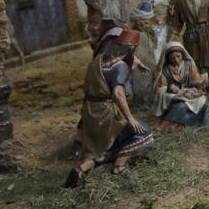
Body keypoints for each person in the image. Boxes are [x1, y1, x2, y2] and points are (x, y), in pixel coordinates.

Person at [65, 28, 154, 187]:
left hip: (91, 111)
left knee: (99, 145)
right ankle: (119, 166)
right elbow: (118, 94)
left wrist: (136, 63)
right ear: (132, 49)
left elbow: (119, 66)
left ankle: (83, 168)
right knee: (144, 133)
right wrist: (130, 118)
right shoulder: (119, 66)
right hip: (107, 113)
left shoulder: (97, 61)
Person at [154, 41, 209, 130]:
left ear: (183, 55)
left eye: (178, 56)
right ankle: (167, 123)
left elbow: (195, 81)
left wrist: (201, 85)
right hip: (173, 99)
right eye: (172, 58)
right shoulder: (164, 70)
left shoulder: (189, 65)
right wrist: (173, 96)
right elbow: (160, 91)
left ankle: (185, 123)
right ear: (168, 58)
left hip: (189, 94)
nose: (176, 60)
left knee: (203, 102)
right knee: (181, 105)